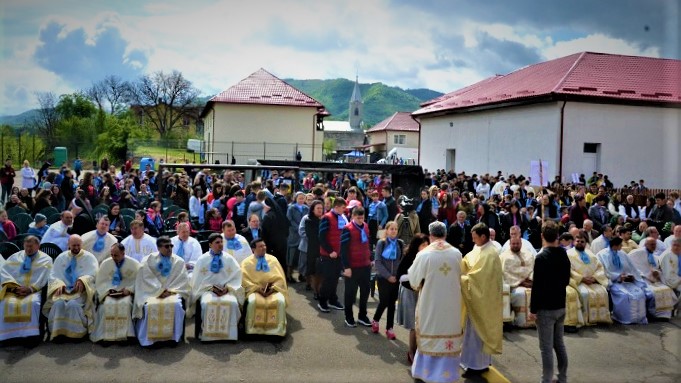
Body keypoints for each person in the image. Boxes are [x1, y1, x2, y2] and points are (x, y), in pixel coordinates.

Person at [407, 221, 463, 382]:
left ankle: (426, 372)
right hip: (451, 304)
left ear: (430, 235)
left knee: (429, 331)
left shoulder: (424, 254)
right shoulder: (456, 253)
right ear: (445, 234)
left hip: (430, 304)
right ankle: (447, 374)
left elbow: (414, 281)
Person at [528, 221, 571, 383]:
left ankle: (546, 380)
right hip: (560, 304)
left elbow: (537, 287)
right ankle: (562, 378)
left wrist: (533, 310)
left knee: (546, 348)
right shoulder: (563, 254)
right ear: (558, 237)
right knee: (559, 344)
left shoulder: (541, 257)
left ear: (541, 237)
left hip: (545, 308)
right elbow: (566, 280)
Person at [460, 223, 503, 375]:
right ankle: (473, 362)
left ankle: (475, 366)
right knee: (472, 333)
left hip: (483, 301)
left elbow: (479, 278)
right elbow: (469, 261)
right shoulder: (480, 248)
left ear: (483, 237)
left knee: (478, 334)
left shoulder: (490, 254)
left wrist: (462, 279)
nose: (473, 241)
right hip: (478, 299)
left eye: (475, 238)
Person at [133, 236, 190, 346]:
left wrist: (171, 291)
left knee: (177, 306)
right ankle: (150, 340)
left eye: (171, 246)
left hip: (173, 292)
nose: (169, 248)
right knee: (148, 307)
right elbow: (145, 278)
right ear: (158, 248)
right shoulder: (148, 260)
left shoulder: (179, 261)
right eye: (166, 246)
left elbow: (182, 280)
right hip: (152, 293)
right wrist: (159, 291)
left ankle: (173, 338)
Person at [189, 233, 244, 341]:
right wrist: (210, 288)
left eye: (221, 242)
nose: (220, 244)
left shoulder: (229, 259)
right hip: (207, 291)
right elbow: (197, 281)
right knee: (207, 303)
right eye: (217, 242)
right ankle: (208, 335)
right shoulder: (202, 260)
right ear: (210, 244)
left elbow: (237, 276)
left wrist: (228, 288)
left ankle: (230, 335)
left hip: (226, 291)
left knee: (232, 303)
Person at [43, 235, 98, 340]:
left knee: (73, 305)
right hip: (63, 290)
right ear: (68, 244)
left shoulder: (89, 257)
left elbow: (94, 274)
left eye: (78, 245)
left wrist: (83, 280)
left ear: (82, 244)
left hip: (80, 291)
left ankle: (76, 334)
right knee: (58, 304)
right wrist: (58, 284)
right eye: (74, 245)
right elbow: (53, 275)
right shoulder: (61, 257)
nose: (76, 248)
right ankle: (58, 333)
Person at [0, 235, 52, 341]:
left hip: (35, 292)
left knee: (33, 304)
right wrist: (14, 288)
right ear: (23, 245)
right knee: (5, 303)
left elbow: (44, 278)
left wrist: (30, 289)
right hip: (15, 291)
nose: (28, 249)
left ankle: (31, 336)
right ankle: (8, 336)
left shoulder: (46, 259)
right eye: (26, 246)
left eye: (31, 246)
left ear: (38, 246)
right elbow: (5, 273)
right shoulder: (15, 257)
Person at [90, 243, 140, 342]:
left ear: (123, 253)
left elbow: (138, 281)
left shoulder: (133, 264)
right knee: (105, 306)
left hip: (126, 293)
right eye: (112, 255)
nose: (113, 257)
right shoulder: (106, 263)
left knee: (125, 304)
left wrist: (129, 290)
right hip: (109, 293)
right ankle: (105, 337)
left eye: (116, 255)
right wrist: (108, 291)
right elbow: (101, 281)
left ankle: (125, 336)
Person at [241, 238, 288, 336]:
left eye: (264, 246)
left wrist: (273, 289)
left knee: (279, 301)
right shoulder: (246, 262)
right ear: (253, 249)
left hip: (273, 290)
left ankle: (277, 330)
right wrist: (257, 289)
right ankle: (253, 330)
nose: (263, 248)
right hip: (255, 290)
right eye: (260, 246)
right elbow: (244, 280)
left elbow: (280, 278)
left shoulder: (273, 260)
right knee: (254, 302)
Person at [597, 237, 648, 324]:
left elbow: (632, 268)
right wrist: (618, 277)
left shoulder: (622, 253)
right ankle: (623, 318)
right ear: (615, 245)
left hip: (626, 281)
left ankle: (639, 318)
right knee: (625, 296)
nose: (622, 246)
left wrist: (632, 276)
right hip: (614, 282)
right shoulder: (602, 254)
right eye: (620, 244)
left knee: (640, 294)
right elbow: (604, 271)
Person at [396, 233, 430, 364]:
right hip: (410, 292)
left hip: (423, 293)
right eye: (423, 245)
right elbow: (400, 277)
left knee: (423, 325)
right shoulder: (409, 256)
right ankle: (412, 351)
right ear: (416, 246)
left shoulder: (428, 257)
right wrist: (415, 277)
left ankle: (421, 351)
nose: (426, 247)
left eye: (427, 244)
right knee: (414, 325)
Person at [566, 233, 611, 326]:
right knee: (584, 294)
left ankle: (599, 319)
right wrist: (582, 278)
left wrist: (595, 278)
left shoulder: (591, 255)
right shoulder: (568, 254)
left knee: (603, 292)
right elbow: (568, 269)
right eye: (577, 241)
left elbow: (599, 268)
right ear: (574, 242)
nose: (579, 243)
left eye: (582, 242)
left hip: (592, 281)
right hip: (578, 282)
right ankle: (586, 319)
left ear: (586, 243)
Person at [627, 238, 677, 319]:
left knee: (667, 290)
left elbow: (658, 269)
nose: (654, 246)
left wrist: (657, 273)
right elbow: (628, 263)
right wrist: (642, 274)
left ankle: (664, 315)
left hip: (654, 280)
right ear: (646, 245)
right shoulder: (637, 253)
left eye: (655, 244)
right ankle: (652, 313)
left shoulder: (654, 257)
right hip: (642, 279)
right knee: (653, 293)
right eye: (652, 244)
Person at [370, 221, 404, 339]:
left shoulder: (400, 243)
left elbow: (401, 261)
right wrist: (388, 276)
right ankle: (375, 320)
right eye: (391, 229)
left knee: (392, 304)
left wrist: (397, 276)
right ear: (387, 230)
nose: (394, 231)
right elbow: (378, 262)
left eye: (395, 229)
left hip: (396, 279)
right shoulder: (381, 243)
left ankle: (389, 328)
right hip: (383, 277)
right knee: (384, 301)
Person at [340, 207, 373, 328]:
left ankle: (362, 316)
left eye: (362, 217)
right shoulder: (347, 229)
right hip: (352, 267)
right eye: (358, 217)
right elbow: (343, 249)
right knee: (350, 293)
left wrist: (371, 257)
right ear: (352, 216)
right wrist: (346, 267)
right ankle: (348, 317)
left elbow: (368, 243)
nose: (360, 220)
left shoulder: (365, 226)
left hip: (365, 266)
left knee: (365, 292)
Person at [317, 197, 347, 313]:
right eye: (343, 208)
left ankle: (333, 300)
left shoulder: (342, 217)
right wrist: (330, 251)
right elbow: (322, 236)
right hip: (328, 255)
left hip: (339, 254)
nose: (344, 210)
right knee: (328, 279)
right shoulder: (326, 218)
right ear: (337, 207)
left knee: (335, 279)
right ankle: (322, 301)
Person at [499, 237, 535, 328]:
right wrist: (521, 282)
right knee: (522, 294)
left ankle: (534, 321)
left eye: (517, 244)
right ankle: (521, 322)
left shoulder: (528, 255)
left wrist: (531, 280)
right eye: (513, 244)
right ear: (509, 244)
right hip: (513, 285)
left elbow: (533, 269)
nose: (515, 245)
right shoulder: (504, 257)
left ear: (521, 244)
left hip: (529, 283)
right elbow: (506, 274)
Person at [286, 192, 309, 282]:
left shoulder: (306, 208)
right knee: (291, 256)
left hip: (303, 236)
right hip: (293, 234)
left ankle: (302, 274)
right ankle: (289, 275)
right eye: (299, 198)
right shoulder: (291, 207)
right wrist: (298, 227)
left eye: (303, 198)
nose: (301, 200)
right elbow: (289, 219)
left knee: (301, 257)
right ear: (296, 198)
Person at [303, 200, 324, 298]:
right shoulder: (309, 220)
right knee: (314, 271)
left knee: (320, 271)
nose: (320, 210)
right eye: (318, 208)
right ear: (313, 210)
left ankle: (319, 289)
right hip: (313, 248)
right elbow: (311, 235)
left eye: (321, 208)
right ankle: (316, 291)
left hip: (323, 249)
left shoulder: (324, 219)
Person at [659, 238, 681, 312]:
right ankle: (675, 310)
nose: (676, 247)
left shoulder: (676, 254)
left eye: (678, 246)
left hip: (676, 279)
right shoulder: (667, 255)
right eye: (674, 245)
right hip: (665, 279)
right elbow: (668, 275)